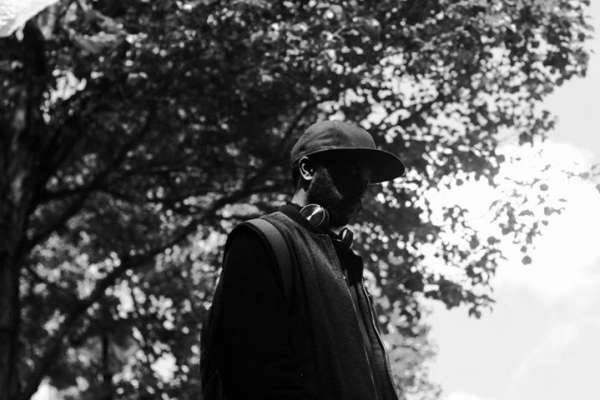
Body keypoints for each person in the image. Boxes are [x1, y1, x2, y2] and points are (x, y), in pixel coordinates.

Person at [201, 120, 406, 400]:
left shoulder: (344, 265)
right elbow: (250, 372)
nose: (361, 187)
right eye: (351, 172)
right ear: (308, 169)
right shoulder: (261, 240)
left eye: (366, 179)